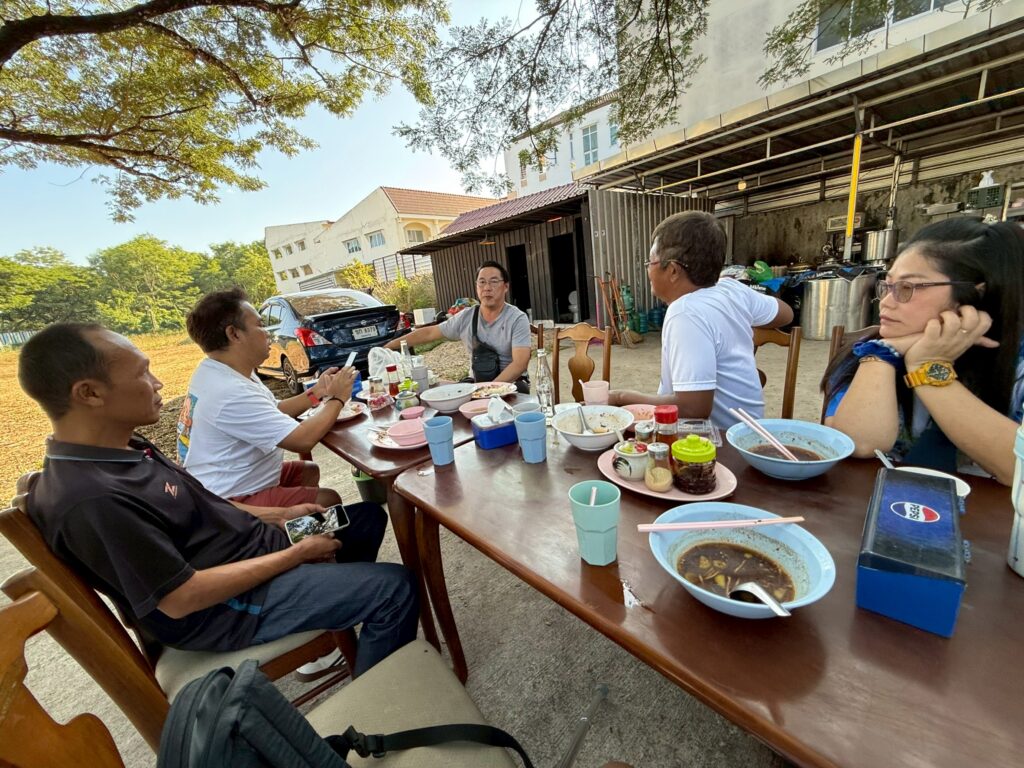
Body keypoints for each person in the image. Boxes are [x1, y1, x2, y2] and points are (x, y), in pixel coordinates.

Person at [17, 323, 418, 676]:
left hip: (250, 548)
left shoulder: (123, 446)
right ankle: (379, 714)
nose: (158, 383)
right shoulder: (93, 499)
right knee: (394, 589)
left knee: (363, 518)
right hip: (228, 605)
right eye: (142, 373)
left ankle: (337, 608)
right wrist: (296, 555)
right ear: (89, 393)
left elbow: (200, 504)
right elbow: (181, 598)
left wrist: (278, 515)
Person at [822, 218, 1024, 485]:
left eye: (907, 288)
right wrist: (884, 354)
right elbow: (858, 444)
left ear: (975, 295)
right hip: (888, 503)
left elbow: (1018, 469)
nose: (886, 302)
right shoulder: (871, 351)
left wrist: (927, 367)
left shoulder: (1016, 367)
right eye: (888, 285)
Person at [608, 211, 793, 427]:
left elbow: (693, 409)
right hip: (747, 432)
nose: (648, 269)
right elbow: (786, 313)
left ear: (673, 270)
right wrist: (736, 328)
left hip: (717, 440)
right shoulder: (731, 289)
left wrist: (620, 397)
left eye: (651, 262)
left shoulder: (685, 313)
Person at [178, 288, 354, 508]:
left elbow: (275, 409)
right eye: (260, 325)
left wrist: (317, 391)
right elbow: (302, 440)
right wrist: (338, 398)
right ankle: (286, 525)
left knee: (308, 471)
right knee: (329, 500)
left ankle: (299, 524)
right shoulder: (229, 391)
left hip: (231, 479)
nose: (268, 333)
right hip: (229, 499)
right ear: (234, 334)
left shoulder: (221, 370)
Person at [384, 261, 532, 392]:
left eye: (494, 282)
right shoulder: (467, 316)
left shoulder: (517, 318)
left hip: (510, 387)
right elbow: (429, 333)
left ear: (505, 287)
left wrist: (490, 391)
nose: (487, 288)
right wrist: (389, 346)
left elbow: (520, 363)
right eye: (482, 282)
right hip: (476, 384)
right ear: (476, 286)